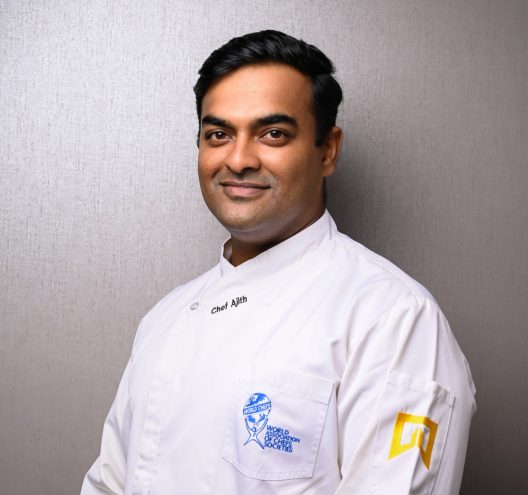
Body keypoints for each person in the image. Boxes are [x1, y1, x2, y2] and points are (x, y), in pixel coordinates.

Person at [81, 30, 476, 494]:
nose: (239, 159)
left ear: (328, 149)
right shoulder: (163, 321)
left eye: (273, 134)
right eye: (218, 134)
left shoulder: (394, 319)